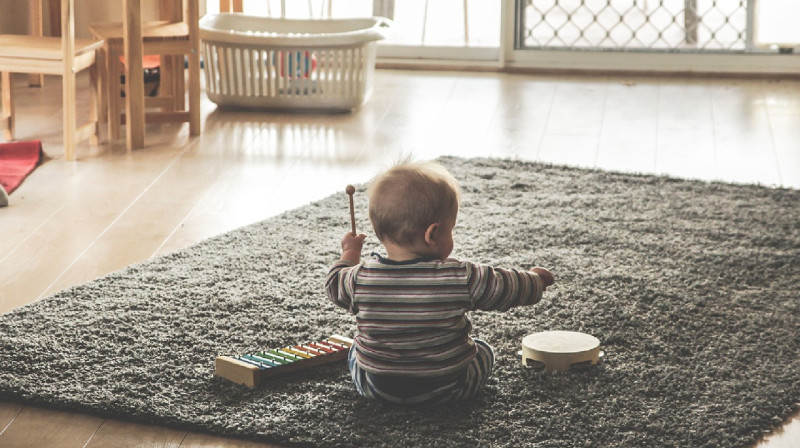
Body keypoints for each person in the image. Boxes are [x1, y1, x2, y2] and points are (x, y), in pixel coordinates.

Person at [325, 159, 554, 405]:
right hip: (448, 388)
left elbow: (333, 283)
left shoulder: (358, 278)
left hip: (377, 388)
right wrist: (537, 280)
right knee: (484, 350)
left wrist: (349, 253)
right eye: (451, 229)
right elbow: (506, 286)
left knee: (355, 350)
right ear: (432, 234)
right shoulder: (460, 277)